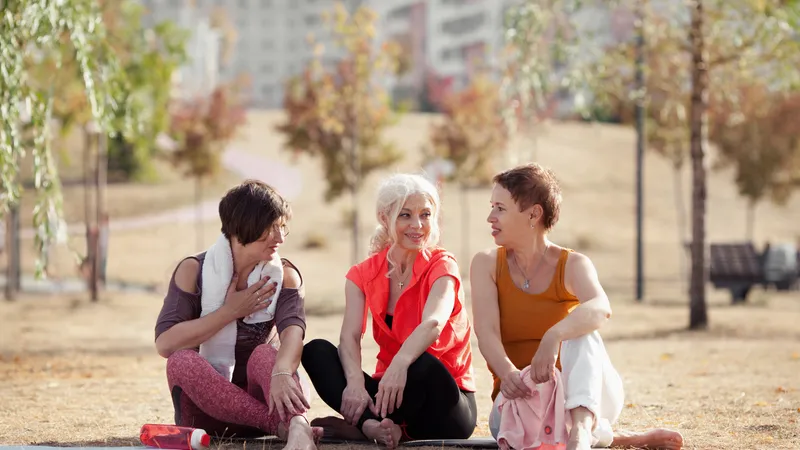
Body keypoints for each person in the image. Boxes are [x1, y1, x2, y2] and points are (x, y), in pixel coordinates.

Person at [469, 164, 684, 450]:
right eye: (492, 207)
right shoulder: (485, 264)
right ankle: (617, 438)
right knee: (529, 426)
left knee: (582, 330)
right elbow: (486, 333)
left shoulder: (573, 264)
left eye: (500, 208)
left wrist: (554, 335)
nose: (490, 217)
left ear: (533, 214)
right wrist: (508, 374)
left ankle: (581, 432)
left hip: (585, 395)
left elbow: (600, 307)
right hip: (519, 404)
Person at [301, 173, 477, 449]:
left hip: (444, 402)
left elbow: (433, 323)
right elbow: (349, 337)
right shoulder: (363, 274)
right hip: (390, 396)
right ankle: (372, 426)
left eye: (425, 215)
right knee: (316, 351)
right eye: (405, 215)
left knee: (422, 364)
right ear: (385, 218)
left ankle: (368, 427)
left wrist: (400, 363)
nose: (417, 225)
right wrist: (356, 384)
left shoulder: (443, 265)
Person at [154, 180, 320, 450]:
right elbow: (165, 344)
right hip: (206, 412)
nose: (279, 238)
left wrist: (280, 372)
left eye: (282, 227)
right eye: (271, 228)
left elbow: (294, 332)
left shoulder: (284, 274)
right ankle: (283, 428)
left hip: (269, 400)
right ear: (243, 226)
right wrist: (230, 311)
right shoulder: (193, 271)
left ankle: (298, 427)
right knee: (181, 361)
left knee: (267, 354)